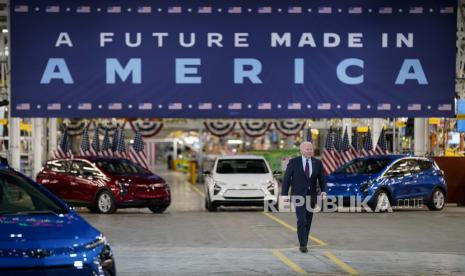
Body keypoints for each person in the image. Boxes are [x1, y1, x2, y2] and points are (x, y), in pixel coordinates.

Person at [281, 141, 327, 253]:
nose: (310, 151)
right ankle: (303, 244)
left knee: (308, 220)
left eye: (311, 149)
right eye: (307, 149)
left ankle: (304, 241)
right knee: (301, 220)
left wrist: (324, 191)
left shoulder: (317, 163)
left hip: (311, 196)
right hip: (298, 195)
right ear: (301, 150)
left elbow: (322, 179)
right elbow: (287, 179)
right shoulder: (293, 162)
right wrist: (284, 194)